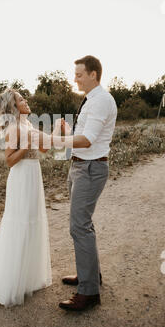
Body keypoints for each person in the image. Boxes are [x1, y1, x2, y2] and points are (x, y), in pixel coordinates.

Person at [0, 89, 58, 307]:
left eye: (24, 98)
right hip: (21, 177)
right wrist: (25, 145)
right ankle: (11, 283)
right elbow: (10, 161)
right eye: (21, 99)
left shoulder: (29, 125)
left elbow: (42, 149)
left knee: (33, 221)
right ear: (13, 106)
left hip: (34, 175)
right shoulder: (13, 127)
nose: (26, 101)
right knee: (21, 224)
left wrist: (54, 132)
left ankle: (29, 279)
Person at [59, 55, 118, 311]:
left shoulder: (102, 100)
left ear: (94, 74)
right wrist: (66, 134)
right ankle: (89, 276)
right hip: (80, 166)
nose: (75, 79)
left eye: (79, 74)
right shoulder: (91, 100)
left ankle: (89, 293)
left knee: (79, 227)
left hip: (91, 168)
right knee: (84, 226)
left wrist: (53, 141)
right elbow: (80, 137)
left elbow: (88, 141)